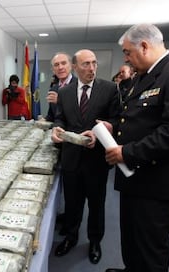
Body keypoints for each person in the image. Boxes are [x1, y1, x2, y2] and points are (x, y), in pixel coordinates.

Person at [104, 24, 169, 272]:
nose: (126, 58)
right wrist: (113, 126)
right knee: (131, 237)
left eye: (127, 52)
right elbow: (136, 118)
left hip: (158, 182)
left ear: (145, 46)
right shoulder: (146, 75)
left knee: (150, 248)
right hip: (136, 177)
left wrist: (126, 152)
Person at [51, 49, 120, 264]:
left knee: (96, 205)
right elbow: (61, 119)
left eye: (94, 63)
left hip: (97, 160)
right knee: (72, 204)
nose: (91, 68)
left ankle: (95, 241)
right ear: (75, 67)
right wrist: (57, 129)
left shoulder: (109, 89)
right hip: (71, 159)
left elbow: (118, 121)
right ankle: (71, 237)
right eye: (86, 64)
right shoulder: (64, 93)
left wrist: (104, 130)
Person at [45, 52, 77, 122]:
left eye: (64, 63)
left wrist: (60, 102)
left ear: (71, 66)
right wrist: (44, 120)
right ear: (53, 70)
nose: (60, 67)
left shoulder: (80, 86)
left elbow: (80, 115)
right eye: (56, 65)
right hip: (56, 130)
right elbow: (51, 115)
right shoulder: (53, 89)